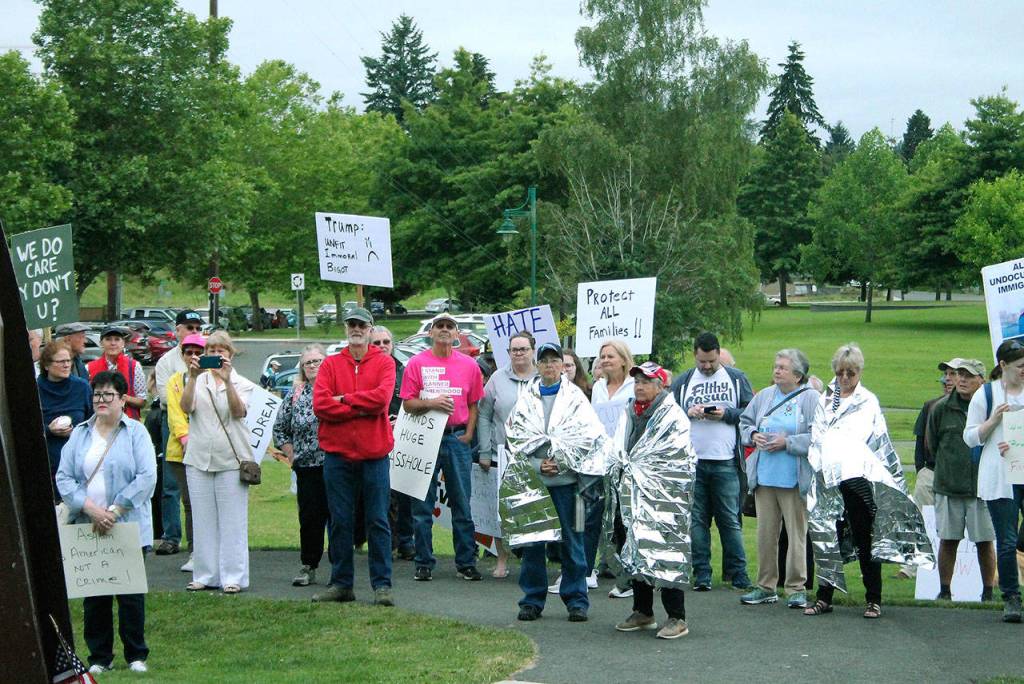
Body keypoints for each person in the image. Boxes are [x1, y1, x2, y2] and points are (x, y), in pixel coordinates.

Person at [804, 343, 932, 619]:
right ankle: (824, 595)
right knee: (827, 538)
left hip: (859, 479)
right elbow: (817, 436)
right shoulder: (825, 400)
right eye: (840, 373)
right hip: (828, 480)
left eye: (851, 373)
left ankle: (873, 598)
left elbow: (878, 442)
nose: (845, 378)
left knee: (865, 538)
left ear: (859, 371)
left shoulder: (868, 401)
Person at [55, 370, 157, 674]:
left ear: (123, 399)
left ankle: (136, 654)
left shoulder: (136, 432)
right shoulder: (80, 433)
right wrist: (91, 509)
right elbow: (64, 477)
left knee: (130, 594)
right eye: (97, 394)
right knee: (95, 594)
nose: (101, 400)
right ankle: (99, 656)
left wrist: (114, 511)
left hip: (126, 523)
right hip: (88, 523)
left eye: (108, 395)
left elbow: (147, 476)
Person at [502, 342, 612, 622]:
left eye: (555, 361)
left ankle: (576, 599)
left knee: (572, 542)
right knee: (533, 543)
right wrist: (539, 464)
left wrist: (562, 462)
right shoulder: (526, 400)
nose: (550, 366)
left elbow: (589, 438)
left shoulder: (575, 399)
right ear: (538, 365)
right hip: (534, 484)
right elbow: (515, 440)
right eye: (545, 361)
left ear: (562, 366)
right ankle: (532, 600)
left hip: (568, 485)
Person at [312, 308, 397, 605]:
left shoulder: (385, 363)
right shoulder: (331, 365)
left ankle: (382, 585)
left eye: (362, 324)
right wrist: (361, 406)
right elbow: (321, 405)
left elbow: (381, 400)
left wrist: (345, 400)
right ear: (346, 328)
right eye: (352, 324)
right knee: (339, 521)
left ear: (371, 329)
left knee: (378, 520)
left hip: (375, 455)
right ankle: (341, 583)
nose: (356, 329)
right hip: (338, 455)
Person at [611, 362, 696, 639]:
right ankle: (643, 611)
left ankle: (677, 617)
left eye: (646, 382)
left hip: (662, 497)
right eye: (636, 381)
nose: (639, 386)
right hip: (631, 493)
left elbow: (678, 457)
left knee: (665, 550)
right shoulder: (629, 411)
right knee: (635, 548)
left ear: (660, 386)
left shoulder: (672, 416)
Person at [401, 312, 485, 582]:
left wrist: (469, 433)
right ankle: (423, 562)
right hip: (425, 438)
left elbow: (474, 404)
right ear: (431, 332)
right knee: (422, 504)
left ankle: (466, 562)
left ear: (456, 333)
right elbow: (408, 403)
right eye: (440, 326)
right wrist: (432, 403)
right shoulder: (416, 364)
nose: (445, 330)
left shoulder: (470, 366)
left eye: (450, 326)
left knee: (462, 502)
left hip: (456, 437)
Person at [670, 331, 753, 591]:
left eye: (712, 362)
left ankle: (738, 573)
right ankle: (702, 574)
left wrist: (726, 414)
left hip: (725, 460)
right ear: (695, 355)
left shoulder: (735, 379)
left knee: (729, 520)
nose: (707, 367)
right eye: (702, 362)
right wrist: (688, 412)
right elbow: (670, 416)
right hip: (693, 462)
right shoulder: (684, 382)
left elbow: (750, 413)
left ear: (719, 355)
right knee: (697, 521)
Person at [738, 349, 820, 608]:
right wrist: (753, 436)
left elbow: (820, 436)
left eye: (783, 367)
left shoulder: (811, 399)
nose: (777, 371)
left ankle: (796, 587)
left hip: (794, 479)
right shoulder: (763, 396)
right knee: (765, 534)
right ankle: (765, 586)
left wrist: (788, 442)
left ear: (798, 375)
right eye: (776, 366)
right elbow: (744, 422)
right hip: (764, 478)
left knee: (796, 534)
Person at [180, 331, 256, 594]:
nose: (215, 355)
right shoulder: (195, 380)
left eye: (220, 351)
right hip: (199, 457)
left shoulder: (242, 382)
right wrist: (192, 378)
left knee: (232, 520)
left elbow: (238, 412)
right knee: (203, 519)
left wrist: (228, 382)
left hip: (230, 459)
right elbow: (185, 407)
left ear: (230, 354)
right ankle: (204, 573)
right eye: (210, 351)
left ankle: (233, 575)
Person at [927, 358, 997, 601]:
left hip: (983, 487)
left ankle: (988, 592)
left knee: (984, 541)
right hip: (948, 485)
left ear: (982, 380)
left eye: (969, 376)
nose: (963, 380)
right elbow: (932, 445)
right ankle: (944, 591)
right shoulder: (941, 408)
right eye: (959, 375)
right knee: (948, 540)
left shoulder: (991, 408)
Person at [965, 339, 1024, 623]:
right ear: (1003, 366)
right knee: (1007, 539)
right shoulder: (986, 394)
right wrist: (993, 423)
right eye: (1020, 367)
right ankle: (1011, 597)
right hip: (1001, 476)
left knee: (1018, 539)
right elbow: (971, 436)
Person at [479, 331, 538, 578]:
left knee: (532, 509)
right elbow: (484, 414)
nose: (519, 354)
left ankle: (532, 562)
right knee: (500, 510)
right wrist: (484, 450)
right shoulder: (496, 379)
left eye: (524, 349)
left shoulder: (543, 378)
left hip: (534, 455)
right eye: (514, 350)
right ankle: (502, 559)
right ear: (508, 353)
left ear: (533, 351)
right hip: (501, 453)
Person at [274, 344, 331, 588]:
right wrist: (292, 454)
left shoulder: (335, 390)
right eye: (308, 362)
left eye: (318, 361)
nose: (313, 366)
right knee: (310, 518)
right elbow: (280, 429)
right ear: (302, 367)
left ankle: (341, 569)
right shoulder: (296, 394)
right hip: (307, 466)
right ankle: (309, 565)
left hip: (336, 464)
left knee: (340, 517)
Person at [896, 361, 957, 580]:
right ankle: (910, 567)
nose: (948, 379)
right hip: (931, 472)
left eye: (953, 374)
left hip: (960, 477)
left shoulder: (976, 407)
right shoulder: (931, 405)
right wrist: (922, 469)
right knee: (919, 519)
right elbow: (920, 441)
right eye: (946, 375)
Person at [154, 310, 205, 557]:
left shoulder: (207, 356)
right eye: (188, 327)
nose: (193, 331)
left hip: (202, 422)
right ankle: (171, 536)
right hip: (172, 420)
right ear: (177, 330)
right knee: (171, 483)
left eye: (197, 327)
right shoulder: (167, 361)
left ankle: (199, 545)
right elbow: (165, 398)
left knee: (199, 489)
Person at [589, 339, 635, 595]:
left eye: (611, 356)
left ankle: (629, 576)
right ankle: (608, 565)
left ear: (624, 359)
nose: (605, 360)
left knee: (624, 519)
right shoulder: (598, 387)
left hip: (626, 461)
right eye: (602, 356)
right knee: (603, 516)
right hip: (601, 460)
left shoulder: (632, 385)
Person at [165, 334, 208, 574]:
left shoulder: (213, 377)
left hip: (210, 449)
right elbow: (175, 414)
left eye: (198, 352)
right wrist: (185, 439)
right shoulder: (175, 380)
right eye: (188, 352)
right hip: (182, 452)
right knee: (191, 503)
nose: (193, 357)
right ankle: (195, 551)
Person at [371, 325, 414, 560]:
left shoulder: (404, 371)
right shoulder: (364, 370)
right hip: (374, 439)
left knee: (404, 495)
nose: (381, 347)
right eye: (376, 343)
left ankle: (406, 541)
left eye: (385, 342)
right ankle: (384, 543)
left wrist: (403, 419)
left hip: (404, 441)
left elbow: (415, 400)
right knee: (379, 495)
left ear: (392, 344)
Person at [38, 340, 93, 499]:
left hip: (79, 463)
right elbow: (25, 429)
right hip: (48, 463)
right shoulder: (35, 389)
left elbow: (93, 422)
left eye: (68, 360)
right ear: (47, 365)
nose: (66, 365)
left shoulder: (82, 387)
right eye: (61, 361)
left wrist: (76, 432)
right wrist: (50, 430)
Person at [88, 326, 146, 420]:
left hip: (128, 422)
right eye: (108, 339)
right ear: (101, 343)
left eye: (117, 339)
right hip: (99, 421)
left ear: (123, 343)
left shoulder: (134, 366)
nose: (113, 343)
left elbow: (142, 401)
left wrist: (122, 398)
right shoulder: (89, 368)